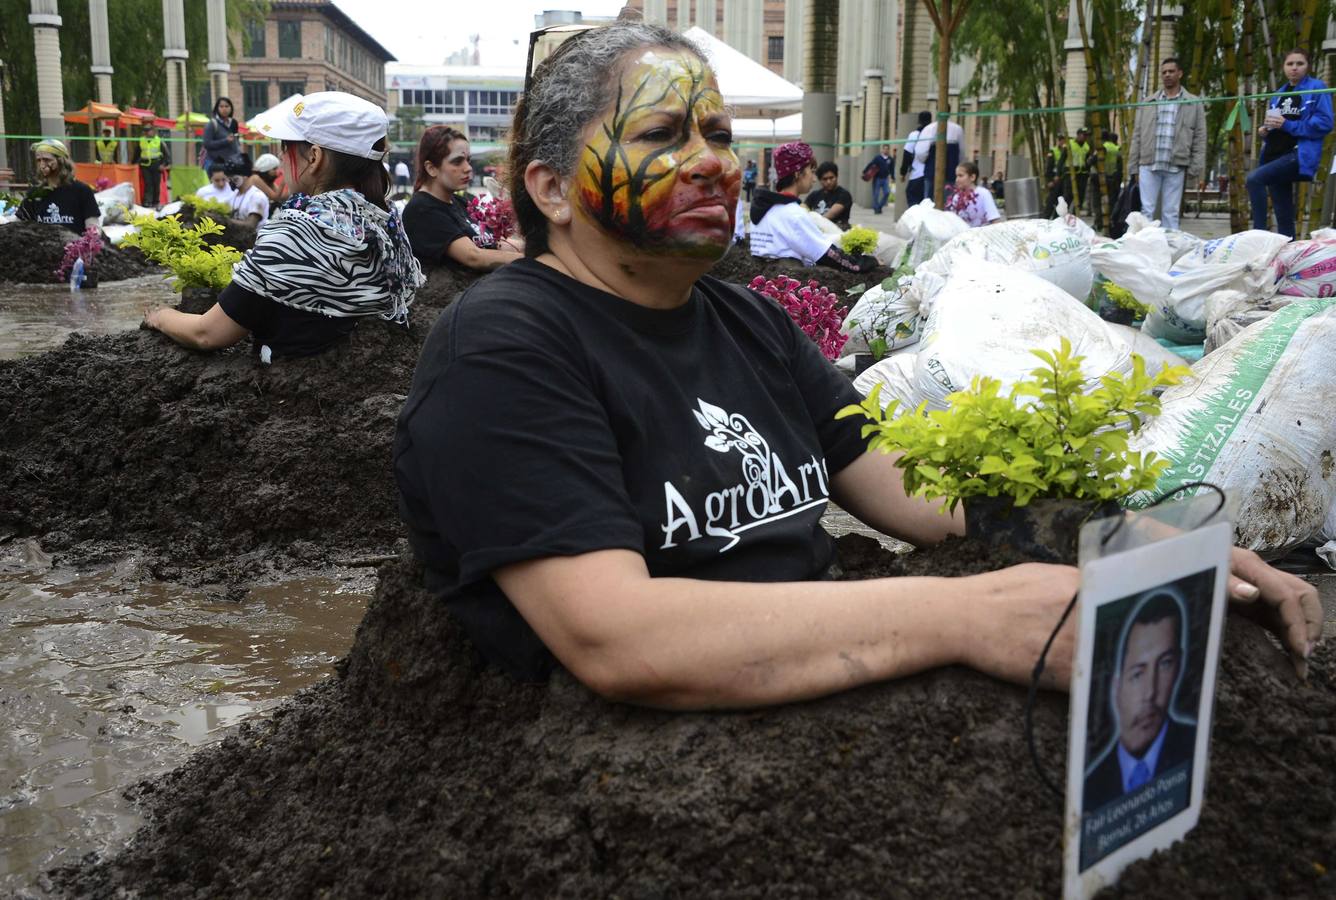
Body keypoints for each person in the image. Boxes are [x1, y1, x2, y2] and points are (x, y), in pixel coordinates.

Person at [392, 23, 1320, 708]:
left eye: (718, 135)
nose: (713, 162)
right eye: (661, 135)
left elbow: (927, 494)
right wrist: (971, 614)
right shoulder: (505, 352)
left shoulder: (746, 323)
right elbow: (620, 640)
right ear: (550, 187)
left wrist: (1151, 545)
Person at [143, 92, 423, 360]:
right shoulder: (386, 222)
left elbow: (207, 333)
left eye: (285, 147)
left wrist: (160, 316)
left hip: (297, 393)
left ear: (314, 157)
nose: (280, 158)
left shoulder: (295, 236)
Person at [1083, 592, 1198, 813]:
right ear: (1116, 687)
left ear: (1179, 667)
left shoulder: (1194, 753)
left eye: (1165, 664)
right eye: (1137, 674)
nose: (1151, 692)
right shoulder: (1091, 789)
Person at [401, 125, 523, 271]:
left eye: (468, 160)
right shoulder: (421, 209)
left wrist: (538, 249)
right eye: (457, 161)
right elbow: (473, 257)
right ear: (431, 168)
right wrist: (532, 261)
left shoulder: (461, 202)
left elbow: (496, 243)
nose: (468, 168)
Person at [750, 141, 876, 272]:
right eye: (812, 171)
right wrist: (867, 262)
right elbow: (827, 255)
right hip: (787, 284)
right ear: (797, 174)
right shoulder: (793, 214)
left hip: (762, 280)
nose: (814, 179)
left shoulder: (764, 208)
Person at [1247, 48, 1334, 239]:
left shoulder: (1317, 88)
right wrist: (1266, 130)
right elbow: (1277, 123)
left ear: (1308, 66)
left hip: (1298, 153)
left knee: (1254, 179)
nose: (1294, 68)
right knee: (1283, 212)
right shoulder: (1279, 93)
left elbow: (1325, 123)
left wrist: (1289, 125)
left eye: (1299, 63)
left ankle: (1257, 236)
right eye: (1290, 64)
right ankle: (1288, 251)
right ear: (1284, 67)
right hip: (1275, 153)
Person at [1127, 58, 1206, 231]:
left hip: (1176, 165)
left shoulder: (1193, 103)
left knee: (1170, 212)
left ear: (1180, 73)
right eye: (1164, 72)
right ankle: (1145, 248)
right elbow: (1137, 135)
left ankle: (1171, 249)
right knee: (1146, 211)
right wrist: (1133, 166)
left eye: (1171, 71)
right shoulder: (1148, 102)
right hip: (1148, 164)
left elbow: (1200, 137)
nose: (1167, 75)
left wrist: (1195, 167)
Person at [17, 140, 101, 234]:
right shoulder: (34, 193)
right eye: (39, 160)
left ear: (61, 161)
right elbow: (19, 224)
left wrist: (86, 244)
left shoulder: (81, 191)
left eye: (47, 160)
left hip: (73, 247)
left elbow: (93, 229)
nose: (42, 165)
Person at [914, 112, 964, 205]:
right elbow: (961, 152)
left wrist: (925, 161)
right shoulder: (957, 129)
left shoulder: (929, 129)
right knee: (948, 202)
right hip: (951, 171)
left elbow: (921, 151)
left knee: (929, 202)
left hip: (932, 171)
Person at [944, 161, 1001, 227]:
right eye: (956, 176)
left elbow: (994, 219)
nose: (957, 180)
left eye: (960, 176)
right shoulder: (956, 197)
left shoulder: (983, 194)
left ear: (972, 177)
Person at [231, 153, 277, 226]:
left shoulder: (257, 195)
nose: (276, 172)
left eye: (235, 178)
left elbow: (251, 226)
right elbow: (276, 196)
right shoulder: (236, 192)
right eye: (274, 169)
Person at [202, 96, 245, 172]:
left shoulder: (233, 123)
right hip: (214, 164)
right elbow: (207, 144)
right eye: (221, 106)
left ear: (231, 108)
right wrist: (225, 141)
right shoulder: (212, 124)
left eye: (227, 106)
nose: (224, 109)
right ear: (217, 108)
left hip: (231, 164)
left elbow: (236, 144)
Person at [805, 161, 853, 228]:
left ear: (836, 176)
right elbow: (803, 209)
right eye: (825, 179)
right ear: (820, 180)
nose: (829, 182)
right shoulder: (814, 195)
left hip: (838, 232)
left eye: (831, 178)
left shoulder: (844, 194)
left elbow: (831, 215)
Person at [136, 123, 171, 209]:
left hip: (156, 165)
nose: (147, 133)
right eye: (145, 131)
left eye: (149, 131)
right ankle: (147, 201)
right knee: (148, 183)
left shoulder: (159, 141)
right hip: (145, 165)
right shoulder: (141, 140)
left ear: (153, 131)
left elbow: (167, 155)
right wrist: (133, 163)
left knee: (156, 184)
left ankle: (156, 202)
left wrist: (163, 165)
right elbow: (136, 153)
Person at [900, 111, 930, 206]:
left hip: (917, 174)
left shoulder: (914, 135)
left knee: (913, 199)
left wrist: (903, 172)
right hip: (930, 174)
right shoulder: (934, 134)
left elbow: (907, 154)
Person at [866, 144, 894, 214]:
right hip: (877, 178)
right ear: (882, 150)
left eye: (887, 149)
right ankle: (876, 209)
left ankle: (880, 206)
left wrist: (893, 177)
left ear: (888, 150)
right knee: (876, 194)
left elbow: (892, 169)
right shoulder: (877, 158)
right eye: (884, 149)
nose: (886, 150)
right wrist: (865, 171)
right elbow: (871, 164)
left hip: (885, 179)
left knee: (887, 192)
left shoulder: (890, 159)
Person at [1101, 130, 1122, 203]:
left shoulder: (1103, 146)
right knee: (1113, 196)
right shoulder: (1117, 148)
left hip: (1104, 173)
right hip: (1114, 174)